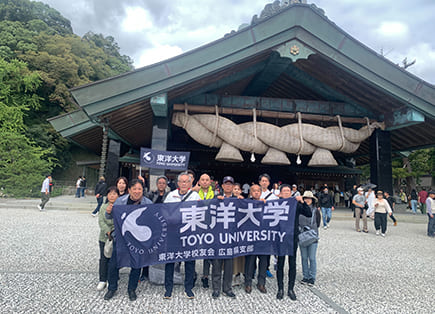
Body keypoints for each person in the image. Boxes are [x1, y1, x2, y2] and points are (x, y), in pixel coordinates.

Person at [104, 179, 153, 301]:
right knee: (113, 264)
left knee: (136, 265)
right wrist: (108, 212)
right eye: (134, 189)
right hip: (121, 238)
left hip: (138, 240)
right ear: (129, 190)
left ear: (143, 190)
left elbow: (153, 221)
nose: (137, 191)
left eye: (139, 189)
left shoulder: (148, 203)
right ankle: (112, 288)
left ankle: (132, 289)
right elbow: (110, 217)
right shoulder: (120, 201)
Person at [163, 172, 201, 299]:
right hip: (173, 233)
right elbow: (165, 211)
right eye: (181, 181)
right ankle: (168, 288)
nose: (184, 184)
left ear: (190, 183)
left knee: (189, 261)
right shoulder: (171, 195)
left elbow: (200, 213)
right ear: (178, 183)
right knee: (170, 261)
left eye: (186, 181)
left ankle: (188, 288)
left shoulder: (195, 196)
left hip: (189, 232)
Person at [276, 184, 312, 301]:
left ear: (291, 193)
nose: (286, 193)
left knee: (292, 263)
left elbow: (308, 213)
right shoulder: (276, 204)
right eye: (284, 191)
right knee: (280, 263)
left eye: (288, 191)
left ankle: (291, 289)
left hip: (292, 236)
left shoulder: (296, 204)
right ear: (280, 193)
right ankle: (280, 288)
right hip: (280, 237)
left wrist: (302, 201)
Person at [211, 176, 237, 299]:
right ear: (222, 186)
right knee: (216, 264)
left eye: (230, 184)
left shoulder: (237, 200)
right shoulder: (216, 199)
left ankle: (227, 288)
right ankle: (216, 288)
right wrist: (216, 201)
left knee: (229, 265)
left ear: (233, 186)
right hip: (218, 236)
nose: (228, 186)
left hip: (231, 237)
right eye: (225, 184)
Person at [140, 175, 170, 282]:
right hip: (152, 226)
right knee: (149, 249)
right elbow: (142, 196)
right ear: (157, 184)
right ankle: (145, 272)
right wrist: (142, 183)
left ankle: (162, 272)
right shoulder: (151, 194)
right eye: (160, 183)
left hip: (165, 227)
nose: (161, 185)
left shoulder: (170, 195)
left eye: (163, 183)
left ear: (166, 185)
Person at [244, 184, 270, 294]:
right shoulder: (245, 204)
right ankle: (248, 283)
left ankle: (261, 283)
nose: (256, 193)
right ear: (250, 192)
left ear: (261, 192)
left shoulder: (266, 204)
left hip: (263, 237)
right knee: (250, 261)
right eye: (253, 191)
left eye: (258, 191)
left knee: (264, 262)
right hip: (251, 237)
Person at [96, 186, 118, 291]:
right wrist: (107, 231)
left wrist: (113, 231)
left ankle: (111, 279)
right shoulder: (103, 206)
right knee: (103, 259)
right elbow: (101, 221)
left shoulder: (120, 207)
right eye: (110, 194)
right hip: (104, 237)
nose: (112, 196)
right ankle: (102, 279)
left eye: (114, 194)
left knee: (113, 260)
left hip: (115, 237)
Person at [299, 191, 321, 287]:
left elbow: (318, 223)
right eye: (306, 198)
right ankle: (305, 276)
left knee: (312, 258)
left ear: (312, 200)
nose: (307, 200)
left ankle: (312, 277)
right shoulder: (299, 209)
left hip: (312, 236)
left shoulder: (316, 211)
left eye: (309, 198)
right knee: (304, 258)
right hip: (302, 236)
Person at [197, 173, 214, 289]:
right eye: (202, 179)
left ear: (210, 182)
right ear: (199, 181)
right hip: (196, 225)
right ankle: (192, 274)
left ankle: (206, 276)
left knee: (208, 252)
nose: (204, 182)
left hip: (211, 226)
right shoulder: (193, 193)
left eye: (207, 180)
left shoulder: (216, 194)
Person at [258, 174, 277, 278]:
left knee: (267, 248)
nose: (264, 182)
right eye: (262, 181)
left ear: (269, 183)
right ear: (260, 182)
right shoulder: (255, 193)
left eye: (266, 181)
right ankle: (254, 268)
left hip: (267, 225)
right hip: (256, 225)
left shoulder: (273, 196)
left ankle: (266, 268)